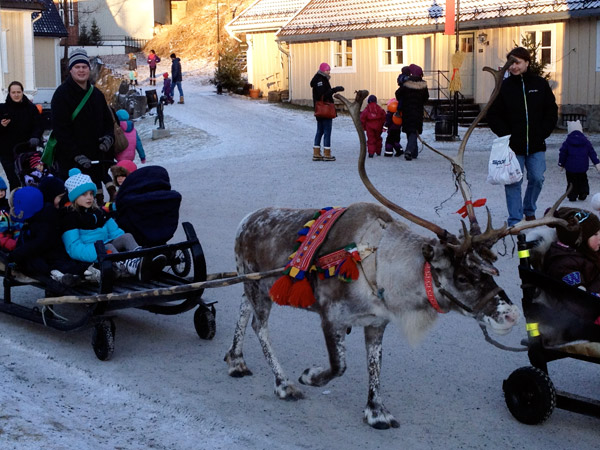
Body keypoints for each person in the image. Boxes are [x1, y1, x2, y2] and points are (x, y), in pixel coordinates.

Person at [487, 46, 558, 226]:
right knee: (513, 182)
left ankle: (529, 209)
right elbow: (492, 114)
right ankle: (516, 220)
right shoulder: (503, 87)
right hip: (513, 147)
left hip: (536, 144)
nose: (513, 67)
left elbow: (551, 110)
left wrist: (543, 132)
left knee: (537, 178)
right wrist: (506, 135)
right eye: (510, 63)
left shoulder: (540, 84)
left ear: (527, 62)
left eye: (517, 62)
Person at [60, 168, 166, 281]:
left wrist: (122, 248)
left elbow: (115, 232)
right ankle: (131, 268)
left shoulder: (99, 212)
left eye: (91, 193)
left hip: (106, 246)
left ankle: (140, 260)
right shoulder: (70, 217)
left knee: (126, 237)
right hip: (91, 252)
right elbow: (73, 247)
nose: (89, 197)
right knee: (108, 247)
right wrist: (98, 251)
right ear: (74, 197)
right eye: (84, 194)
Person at [50, 48, 116, 203]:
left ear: (89, 69)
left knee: (97, 200)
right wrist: (75, 154)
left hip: (96, 157)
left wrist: (109, 137)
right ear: (70, 70)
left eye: (84, 67)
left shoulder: (97, 94)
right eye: (77, 67)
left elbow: (108, 121)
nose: (81, 70)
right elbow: (61, 130)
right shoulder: (61, 95)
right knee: (77, 203)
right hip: (72, 161)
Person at [7, 183, 88, 284]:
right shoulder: (40, 215)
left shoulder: (40, 220)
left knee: (39, 263)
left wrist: (16, 254)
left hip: (49, 255)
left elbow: (39, 242)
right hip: (53, 252)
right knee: (61, 264)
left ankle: (72, 276)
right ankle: (78, 275)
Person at [0, 81, 43, 191]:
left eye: (18, 92)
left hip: (27, 151)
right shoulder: (2, 109)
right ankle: (15, 205)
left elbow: (38, 126)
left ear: (22, 93)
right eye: (13, 92)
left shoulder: (31, 108)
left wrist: (35, 137)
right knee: (14, 181)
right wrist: (2, 125)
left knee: (30, 180)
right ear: (9, 93)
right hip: (7, 153)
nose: (16, 95)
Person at [558, 120, 600, 202]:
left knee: (571, 181)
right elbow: (592, 153)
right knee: (583, 179)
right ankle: (583, 192)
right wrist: (597, 163)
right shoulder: (586, 142)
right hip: (582, 166)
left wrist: (561, 164)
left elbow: (562, 154)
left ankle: (572, 194)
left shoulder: (567, 142)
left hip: (570, 167)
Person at [310, 62, 344, 161]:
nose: (329, 72)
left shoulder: (318, 79)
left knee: (319, 131)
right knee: (327, 131)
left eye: (329, 70)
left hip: (319, 109)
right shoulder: (321, 80)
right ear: (322, 70)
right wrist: (334, 90)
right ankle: (327, 153)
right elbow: (323, 95)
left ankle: (316, 152)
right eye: (327, 70)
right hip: (325, 109)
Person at [395, 64, 429, 161]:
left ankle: (409, 151)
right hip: (418, 111)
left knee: (411, 130)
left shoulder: (406, 84)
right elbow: (426, 98)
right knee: (413, 130)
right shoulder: (423, 85)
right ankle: (414, 152)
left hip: (407, 111)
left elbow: (398, 94)